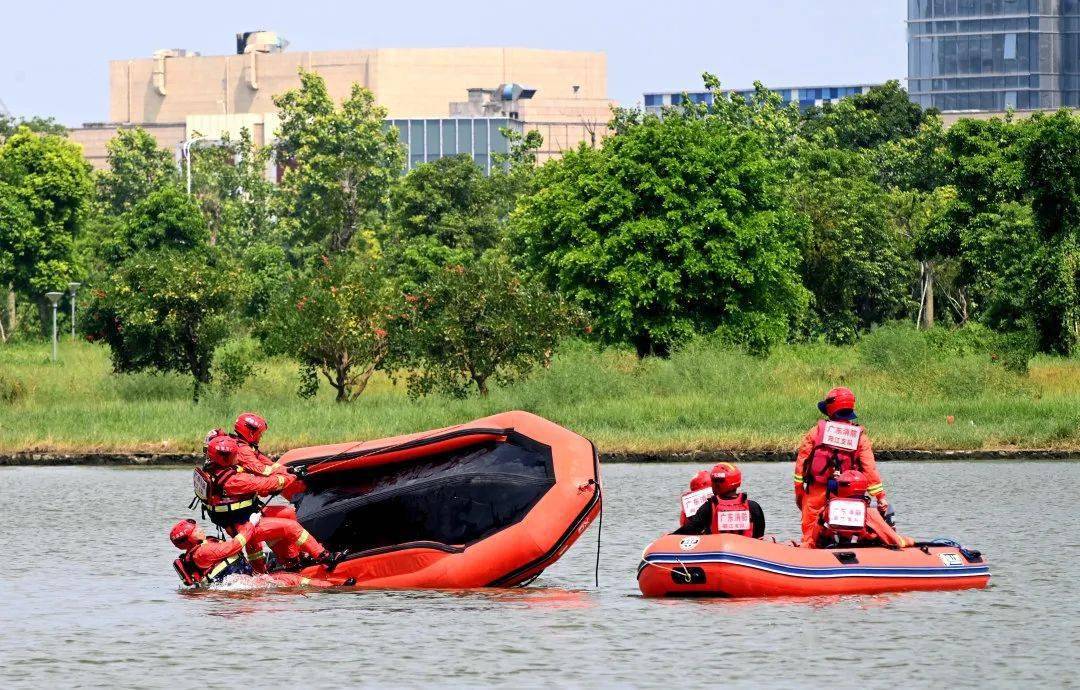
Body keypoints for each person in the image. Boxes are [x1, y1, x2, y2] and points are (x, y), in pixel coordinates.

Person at [194, 435, 340, 571]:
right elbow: (266, 484)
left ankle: (293, 559)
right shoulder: (233, 481)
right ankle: (325, 557)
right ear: (224, 458)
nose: (238, 456)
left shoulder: (213, 470)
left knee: (288, 513)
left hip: (245, 515)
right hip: (244, 525)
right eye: (234, 454)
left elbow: (257, 480)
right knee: (291, 527)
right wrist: (291, 477)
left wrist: (288, 470)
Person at [794, 387, 888, 548]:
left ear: (830, 408)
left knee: (810, 538)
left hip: (816, 493)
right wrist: (880, 497)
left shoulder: (815, 432)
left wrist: (799, 493)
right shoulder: (859, 437)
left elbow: (800, 467)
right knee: (849, 535)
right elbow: (869, 470)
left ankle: (810, 559)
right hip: (847, 496)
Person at [169, 515, 346, 588]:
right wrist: (251, 524)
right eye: (195, 530)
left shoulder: (200, 548)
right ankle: (334, 587)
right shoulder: (203, 552)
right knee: (290, 579)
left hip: (240, 577)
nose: (199, 529)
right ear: (190, 539)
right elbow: (236, 545)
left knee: (276, 573)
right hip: (239, 582)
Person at [810, 470, 914, 549]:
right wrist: (909, 541)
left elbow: (815, 538)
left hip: (832, 549)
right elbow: (894, 540)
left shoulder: (826, 510)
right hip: (862, 549)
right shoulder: (869, 513)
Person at [673, 462, 765, 537]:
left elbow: (690, 529)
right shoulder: (753, 506)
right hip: (746, 554)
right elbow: (759, 535)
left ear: (716, 485)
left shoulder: (709, 507)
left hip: (716, 553)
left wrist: (669, 537)